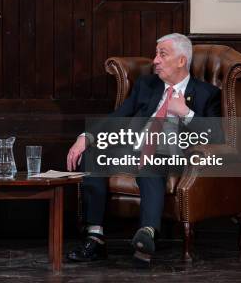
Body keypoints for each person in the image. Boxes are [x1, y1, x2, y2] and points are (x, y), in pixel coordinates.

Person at [65, 33, 222, 266]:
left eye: (162, 54)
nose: (155, 60)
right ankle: (95, 237)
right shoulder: (146, 85)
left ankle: (146, 235)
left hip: (173, 154)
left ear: (181, 60)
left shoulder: (206, 93)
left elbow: (217, 136)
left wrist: (185, 113)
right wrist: (85, 137)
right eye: (156, 54)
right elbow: (119, 116)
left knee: (151, 162)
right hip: (133, 146)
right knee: (93, 154)